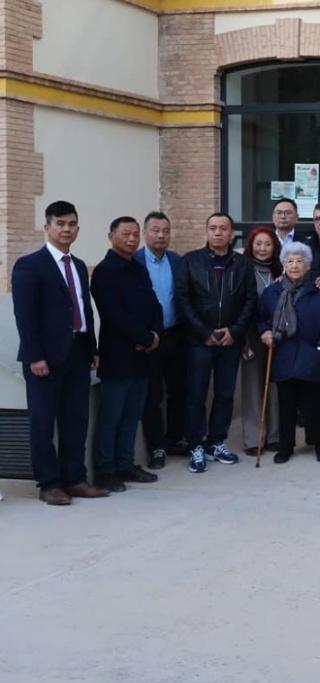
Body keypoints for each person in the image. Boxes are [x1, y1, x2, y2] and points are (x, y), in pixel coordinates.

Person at [12, 201, 109, 505]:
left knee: (75, 421)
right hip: (45, 359)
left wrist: (92, 347)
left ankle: (74, 479)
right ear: (47, 227)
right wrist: (34, 355)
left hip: (78, 354)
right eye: (60, 224)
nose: (66, 229)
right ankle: (49, 483)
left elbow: (84, 310)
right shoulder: (29, 265)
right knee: (43, 423)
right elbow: (24, 316)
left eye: (72, 224)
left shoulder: (78, 265)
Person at [178, 212, 257, 474]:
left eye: (223, 228)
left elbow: (249, 300)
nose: (218, 233)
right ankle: (196, 445)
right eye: (213, 228)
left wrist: (235, 331)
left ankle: (216, 442)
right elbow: (183, 300)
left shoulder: (242, 263)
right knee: (196, 395)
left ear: (231, 233)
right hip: (200, 341)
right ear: (207, 231)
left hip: (229, 341)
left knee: (224, 394)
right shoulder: (191, 261)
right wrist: (204, 332)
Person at [90, 216, 163, 493]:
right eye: (125, 234)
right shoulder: (105, 271)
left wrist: (155, 335)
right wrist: (144, 337)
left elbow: (154, 305)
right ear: (111, 237)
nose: (131, 239)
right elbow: (113, 314)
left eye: (135, 235)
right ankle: (105, 469)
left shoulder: (138, 267)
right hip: (118, 355)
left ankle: (125, 464)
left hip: (144, 355)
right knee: (112, 415)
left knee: (133, 413)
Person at [257, 243, 320, 463]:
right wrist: (264, 332)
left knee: (314, 404)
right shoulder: (273, 291)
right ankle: (286, 446)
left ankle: (319, 443)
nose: (294, 265)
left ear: (308, 266)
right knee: (286, 403)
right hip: (284, 352)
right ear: (283, 265)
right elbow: (261, 318)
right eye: (290, 261)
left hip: (312, 353)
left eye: (300, 261)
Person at [135, 210, 189, 468]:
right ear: (145, 233)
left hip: (176, 336)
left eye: (165, 231)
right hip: (148, 340)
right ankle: (155, 446)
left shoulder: (178, 261)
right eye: (155, 230)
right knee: (152, 396)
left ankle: (174, 439)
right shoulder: (134, 262)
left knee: (178, 391)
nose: (161, 235)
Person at [240, 226, 281, 455]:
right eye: (258, 244)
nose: (263, 248)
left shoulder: (281, 269)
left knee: (274, 385)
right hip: (251, 335)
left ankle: (274, 435)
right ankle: (254, 438)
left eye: (268, 244)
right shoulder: (243, 269)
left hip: (277, 335)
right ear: (250, 245)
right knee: (253, 386)